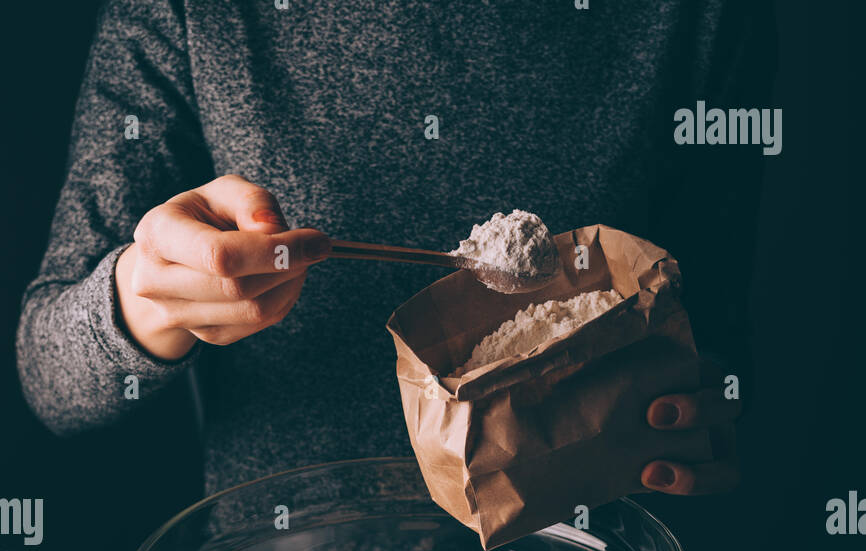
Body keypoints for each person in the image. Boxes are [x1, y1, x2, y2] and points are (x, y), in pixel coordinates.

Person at [17, 0, 776, 502]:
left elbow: (715, 333)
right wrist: (145, 299)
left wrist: (708, 412)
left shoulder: (698, 15)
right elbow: (46, 376)